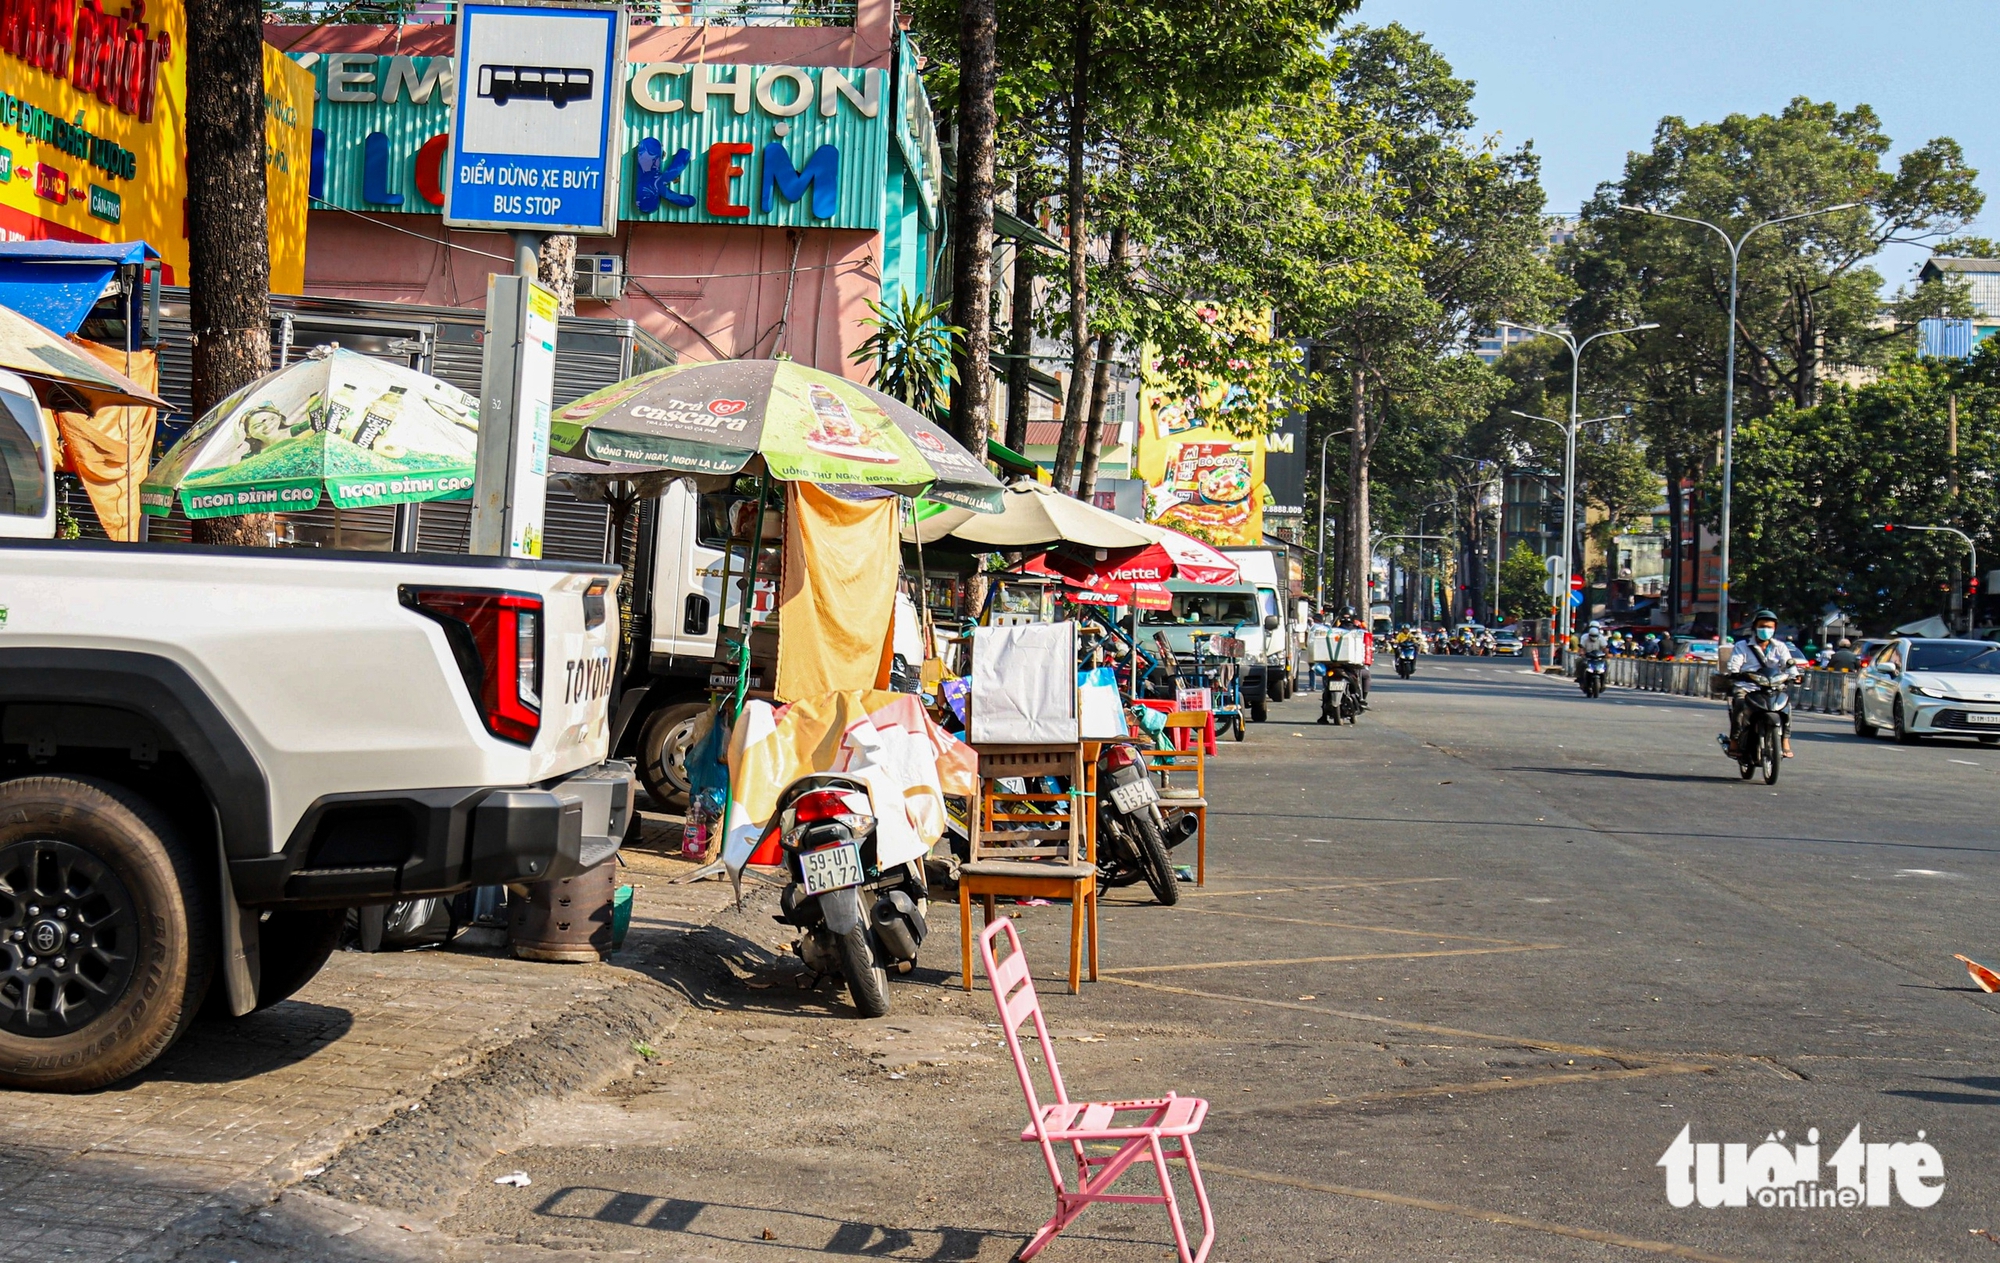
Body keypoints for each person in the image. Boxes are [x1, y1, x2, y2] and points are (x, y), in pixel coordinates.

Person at [1725, 608, 1802, 759]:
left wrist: (1795, 676)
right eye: (1762, 626)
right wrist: (1734, 672)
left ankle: (1785, 741)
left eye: (1769, 627)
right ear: (1755, 627)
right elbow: (1735, 663)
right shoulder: (1742, 646)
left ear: (1774, 629)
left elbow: (1789, 664)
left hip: (1772, 688)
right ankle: (1734, 741)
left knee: (1786, 707)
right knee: (1740, 704)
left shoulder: (1780, 647)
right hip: (1747, 687)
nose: (1766, 630)